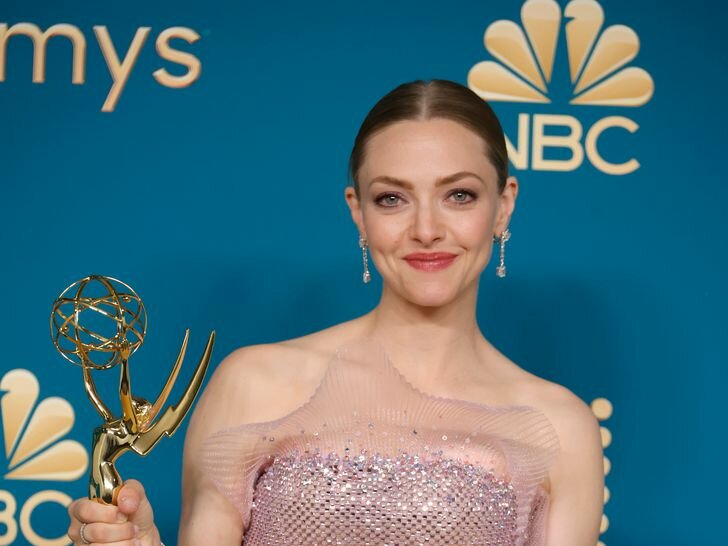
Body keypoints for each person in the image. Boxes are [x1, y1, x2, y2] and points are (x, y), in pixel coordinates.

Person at [66, 79, 604, 545]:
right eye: (393, 198)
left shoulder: (559, 428)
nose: (426, 229)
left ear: (504, 204)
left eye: (458, 195)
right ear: (358, 212)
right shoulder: (256, 384)